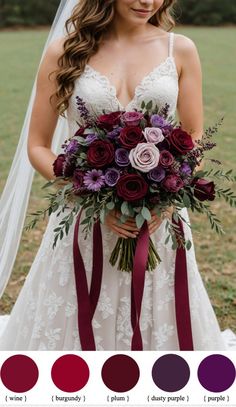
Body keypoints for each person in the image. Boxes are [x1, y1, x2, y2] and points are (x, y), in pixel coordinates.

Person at [0, 0, 234, 350]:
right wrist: (86, 193)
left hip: (158, 221)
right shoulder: (64, 52)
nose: (147, 2)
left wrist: (166, 196)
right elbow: (38, 145)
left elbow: (194, 135)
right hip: (83, 217)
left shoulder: (180, 49)